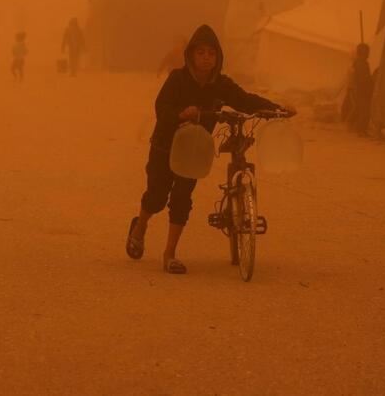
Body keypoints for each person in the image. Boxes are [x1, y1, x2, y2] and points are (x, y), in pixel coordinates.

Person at [125, 24, 291, 275]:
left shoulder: (221, 84)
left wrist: (277, 109)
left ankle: (169, 254)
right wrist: (181, 114)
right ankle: (140, 226)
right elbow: (162, 108)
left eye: (211, 53)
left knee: (182, 198)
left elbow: (245, 101)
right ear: (191, 54)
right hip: (165, 146)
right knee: (157, 197)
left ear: (218, 57)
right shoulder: (177, 79)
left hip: (193, 150)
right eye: (201, 52)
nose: (206, 58)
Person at [342, 43, 374, 136]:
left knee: (361, 109)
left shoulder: (361, 63)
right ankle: (360, 130)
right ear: (362, 53)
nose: (368, 54)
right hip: (361, 91)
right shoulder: (361, 64)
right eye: (367, 52)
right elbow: (363, 79)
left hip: (361, 90)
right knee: (363, 110)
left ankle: (359, 128)